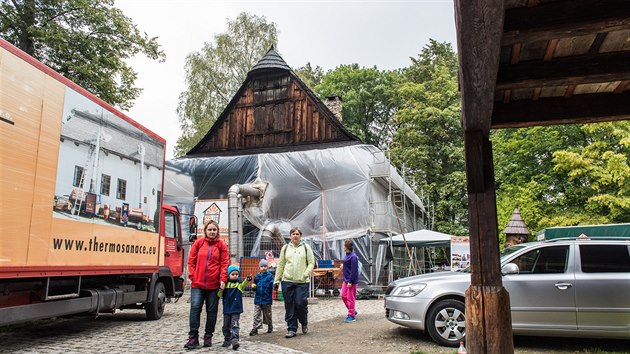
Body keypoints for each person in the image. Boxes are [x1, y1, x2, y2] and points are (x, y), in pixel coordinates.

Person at [184, 220, 229, 349]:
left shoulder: (222, 246)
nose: (212, 232)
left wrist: (222, 279)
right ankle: (193, 337)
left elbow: (224, 264)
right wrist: (192, 276)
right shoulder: (198, 244)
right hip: (197, 284)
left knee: (212, 311)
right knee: (195, 308)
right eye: (210, 229)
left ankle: (208, 337)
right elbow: (191, 261)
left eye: (214, 230)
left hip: (214, 285)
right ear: (205, 231)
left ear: (217, 231)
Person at [274, 226, 315, 338]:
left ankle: (304, 322)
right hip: (287, 280)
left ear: (300, 236)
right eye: (293, 234)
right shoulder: (286, 248)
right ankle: (291, 328)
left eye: (297, 234)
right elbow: (281, 264)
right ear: (290, 236)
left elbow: (311, 262)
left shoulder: (306, 248)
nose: (295, 236)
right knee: (289, 305)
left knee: (300, 303)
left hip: (302, 281)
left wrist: (306, 273)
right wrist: (276, 280)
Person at [219, 265, 251, 350]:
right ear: (228, 275)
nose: (235, 276)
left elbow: (244, 283)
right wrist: (221, 289)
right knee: (226, 325)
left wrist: (247, 280)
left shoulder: (239, 285)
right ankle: (227, 339)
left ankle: (235, 340)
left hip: (236, 309)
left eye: (237, 274)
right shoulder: (225, 285)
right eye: (233, 274)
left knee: (235, 325)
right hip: (227, 309)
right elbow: (219, 295)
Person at [249, 259, 274, 336]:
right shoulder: (257, 276)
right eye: (262, 266)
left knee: (267, 314)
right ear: (259, 267)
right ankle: (255, 328)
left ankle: (270, 325)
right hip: (258, 299)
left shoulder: (270, 276)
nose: (263, 268)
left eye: (265, 266)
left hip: (267, 299)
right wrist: (254, 288)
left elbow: (272, 285)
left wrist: (274, 286)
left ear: (267, 267)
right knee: (256, 314)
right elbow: (254, 284)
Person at [341, 239, 359, 323]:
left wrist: (351, 282)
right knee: (343, 295)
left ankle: (351, 316)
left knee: (350, 298)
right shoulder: (347, 255)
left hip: (351, 281)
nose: (343, 247)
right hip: (346, 280)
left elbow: (354, 270)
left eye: (344, 245)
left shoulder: (353, 257)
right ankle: (353, 311)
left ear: (347, 247)